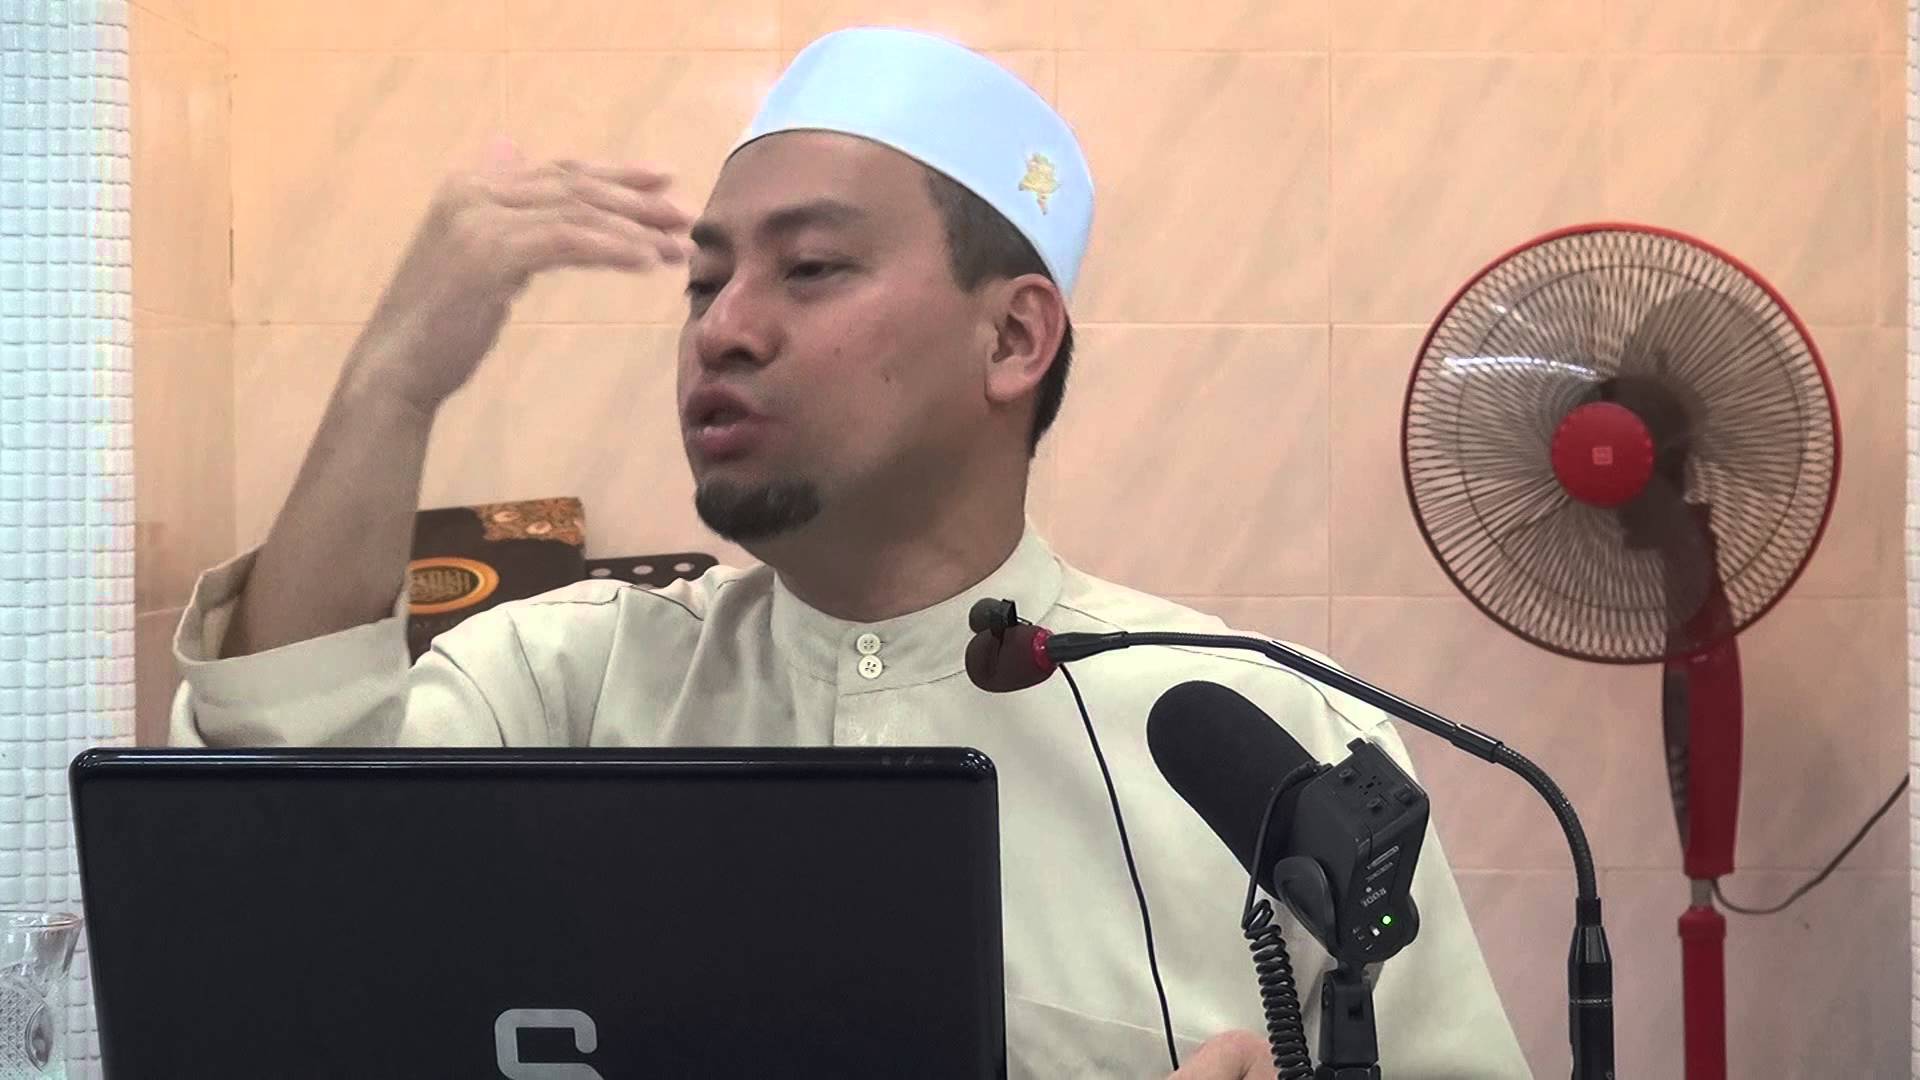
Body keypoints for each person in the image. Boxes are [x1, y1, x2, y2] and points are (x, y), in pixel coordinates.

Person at [168, 26, 1530, 1080]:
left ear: (1014, 337)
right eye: (704, 282)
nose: (722, 327)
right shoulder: (566, 685)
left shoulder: (1268, 741)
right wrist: (395, 377)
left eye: (809, 268)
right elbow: (267, 872)